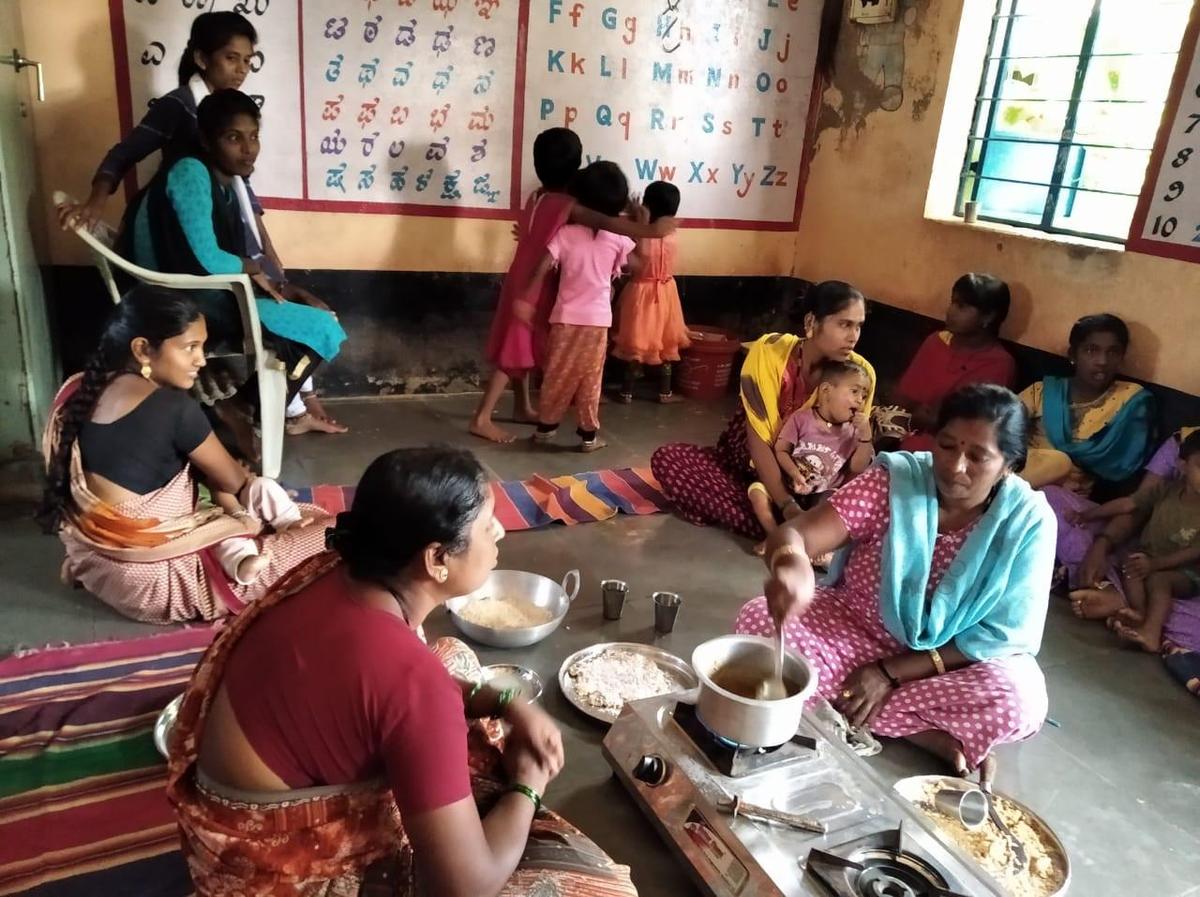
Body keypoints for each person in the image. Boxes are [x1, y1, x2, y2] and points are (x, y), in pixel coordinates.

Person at [166, 447, 638, 897]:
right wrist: (527, 785)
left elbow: (388, 689)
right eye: (485, 525)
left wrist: (507, 701)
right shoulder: (410, 679)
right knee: (599, 887)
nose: (498, 533)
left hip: (228, 817)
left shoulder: (333, 570)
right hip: (274, 872)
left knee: (451, 654)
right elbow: (464, 887)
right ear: (436, 559)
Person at [737, 385, 1054, 783]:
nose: (956, 466)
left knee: (1019, 701)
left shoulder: (1028, 522)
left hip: (948, 661)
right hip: (855, 630)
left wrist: (889, 673)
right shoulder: (897, 482)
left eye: (977, 457)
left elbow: (1002, 635)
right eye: (947, 446)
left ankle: (854, 708)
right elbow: (796, 534)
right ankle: (926, 734)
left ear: (1009, 464)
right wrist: (792, 566)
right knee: (760, 622)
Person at [38, 288, 331, 623]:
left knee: (291, 514)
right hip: (156, 583)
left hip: (93, 563)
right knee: (336, 531)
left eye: (202, 347)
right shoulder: (174, 409)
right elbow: (234, 481)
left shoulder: (77, 390)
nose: (202, 360)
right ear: (143, 349)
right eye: (190, 347)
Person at [121, 89, 348, 457]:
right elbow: (207, 259)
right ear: (207, 140)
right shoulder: (191, 172)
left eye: (253, 136)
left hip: (204, 291)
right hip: (179, 297)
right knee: (322, 327)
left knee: (318, 319)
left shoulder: (221, 179)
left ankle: (241, 408)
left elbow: (218, 259)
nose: (248, 148)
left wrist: (276, 284)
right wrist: (252, 268)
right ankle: (242, 408)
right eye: (233, 138)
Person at [469, 129, 676, 443]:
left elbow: (532, 232)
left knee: (522, 345)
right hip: (534, 287)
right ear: (577, 164)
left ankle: (522, 406)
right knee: (513, 351)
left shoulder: (538, 196)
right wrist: (653, 228)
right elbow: (611, 224)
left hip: (521, 276)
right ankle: (481, 417)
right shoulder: (568, 205)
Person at [651, 281, 877, 540]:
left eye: (858, 326)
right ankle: (787, 524)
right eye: (844, 324)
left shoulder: (860, 375)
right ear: (812, 322)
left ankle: (777, 524)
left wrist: (834, 511)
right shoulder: (770, 352)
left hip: (816, 484)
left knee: (873, 504)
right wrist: (788, 506)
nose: (853, 336)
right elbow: (758, 440)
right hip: (755, 462)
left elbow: (852, 455)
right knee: (668, 460)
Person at [528, 161, 640, 453]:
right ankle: (588, 435)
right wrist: (638, 226)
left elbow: (542, 266)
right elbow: (640, 267)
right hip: (597, 322)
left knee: (556, 373)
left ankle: (546, 428)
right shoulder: (618, 238)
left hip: (564, 319)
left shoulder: (565, 234)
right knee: (591, 377)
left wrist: (526, 298)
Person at [1064, 431, 1200, 650]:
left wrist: (1155, 565)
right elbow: (1129, 505)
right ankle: (1138, 611)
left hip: (1186, 572)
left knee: (1159, 582)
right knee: (1129, 565)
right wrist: (1087, 516)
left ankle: (1151, 633)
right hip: (1150, 557)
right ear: (1182, 466)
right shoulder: (1167, 490)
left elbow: (1195, 553)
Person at [748, 360, 874, 553]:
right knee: (757, 493)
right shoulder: (802, 419)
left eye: (864, 396)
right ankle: (775, 536)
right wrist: (794, 473)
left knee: (832, 509)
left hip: (822, 492)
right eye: (854, 391)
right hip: (788, 486)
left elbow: (857, 468)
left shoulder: (854, 432)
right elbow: (781, 450)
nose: (860, 400)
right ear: (826, 391)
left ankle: (806, 546)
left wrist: (866, 437)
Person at [890, 273, 1016, 452]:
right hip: (909, 441)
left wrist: (940, 420)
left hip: (954, 453)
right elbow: (903, 397)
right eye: (953, 302)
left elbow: (982, 426)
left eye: (962, 306)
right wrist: (917, 413)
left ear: (988, 317)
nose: (951, 311)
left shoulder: (1000, 363)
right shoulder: (936, 342)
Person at [611, 180, 694, 403]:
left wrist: (638, 219)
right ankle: (664, 392)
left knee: (635, 342)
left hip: (640, 291)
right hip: (667, 292)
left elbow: (633, 259)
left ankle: (626, 391)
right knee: (666, 342)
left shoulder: (641, 233)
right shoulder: (672, 234)